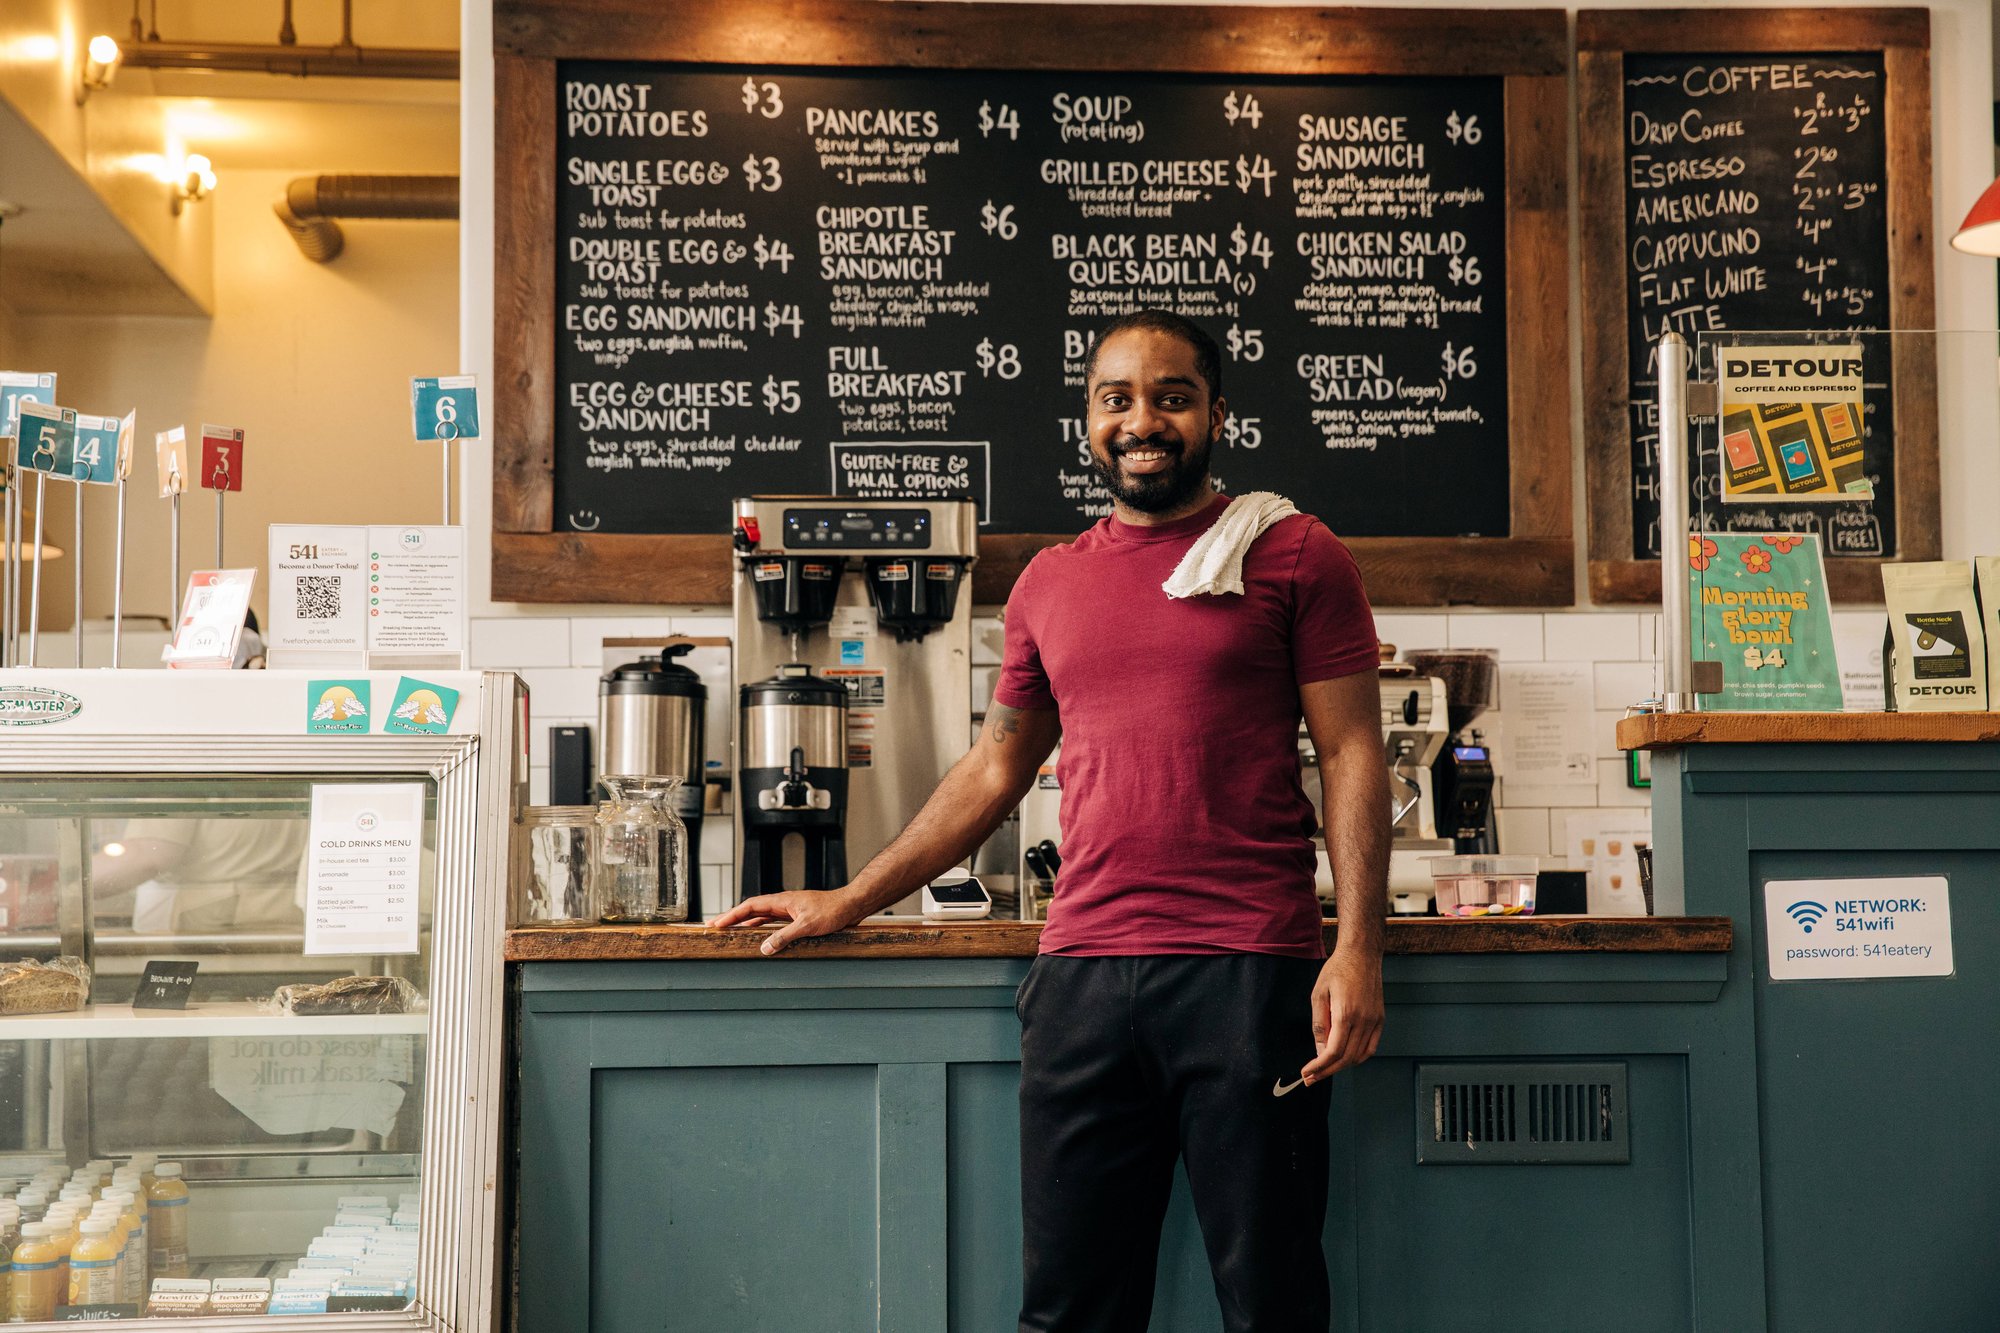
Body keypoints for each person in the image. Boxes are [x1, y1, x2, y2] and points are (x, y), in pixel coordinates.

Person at [715, 309, 1388, 1332]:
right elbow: (993, 767)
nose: (1142, 420)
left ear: (1215, 413)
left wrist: (1357, 949)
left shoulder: (1294, 554)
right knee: (1067, 1312)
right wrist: (849, 897)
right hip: (1079, 980)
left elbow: (1349, 750)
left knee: (1273, 1305)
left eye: (1170, 395)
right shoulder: (1046, 582)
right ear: (1086, 418)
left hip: (1247, 971)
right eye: (1115, 398)